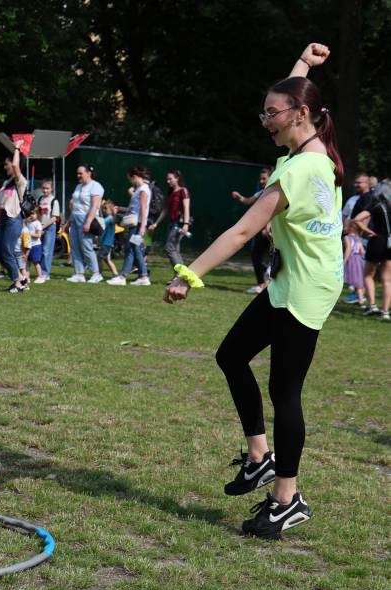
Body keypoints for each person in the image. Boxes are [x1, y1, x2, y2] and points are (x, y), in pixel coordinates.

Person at [164, 43, 343, 539]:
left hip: (307, 287)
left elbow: (243, 231)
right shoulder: (309, 152)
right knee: (231, 355)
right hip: (291, 279)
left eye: (272, 113)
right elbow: (292, 94)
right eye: (264, 112)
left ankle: (287, 499)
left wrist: (188, 275)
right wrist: (303, 64)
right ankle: (260, 458)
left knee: (285, 391)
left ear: (300, 114)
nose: (265, 120)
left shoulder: (301, 168)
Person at [232, 167, 275, 294]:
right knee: (257, 256)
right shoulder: (262, 192)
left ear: (271, 178)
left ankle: (264, 284)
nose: (261, 181)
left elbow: (274, 211)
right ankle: (263, 283)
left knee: (266, 257)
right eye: (260, 179)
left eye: (264, 179)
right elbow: (248, 201)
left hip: (270, 232)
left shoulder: (274, 193)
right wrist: (239, 197)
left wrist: (268, 226)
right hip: (262, 231)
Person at [352, 181, 391, 319]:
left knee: (368, 274)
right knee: (387, 280)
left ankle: (372, 306)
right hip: (390, 243)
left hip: (377, 240)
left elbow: (357, 219)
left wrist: (368, 231)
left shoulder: (376, 205)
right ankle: (385, 311)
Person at [107, 166, 151, 286]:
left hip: (138, 225)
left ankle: (138, 276)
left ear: (135, 177)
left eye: (130, 179)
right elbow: (133, 208)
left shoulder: (143, 190)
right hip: (135, 224)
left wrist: (142, 227)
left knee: (134, 248)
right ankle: (132, 276)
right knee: (132, 249)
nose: (130, 182)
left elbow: (143, 209)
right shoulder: (140, 189)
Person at [0, 142, 28, 293]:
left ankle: (17, 283)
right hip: (3, 219)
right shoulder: (7, 182)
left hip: (13, 219)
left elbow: (15, 165)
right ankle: (21, 277)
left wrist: (17, 149)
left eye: (6, 164)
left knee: (7, 252)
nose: (5, 166)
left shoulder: (20, 181)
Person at [65, 165, 104, 283]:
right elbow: (75, 206)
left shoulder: (96, 186)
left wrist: (88, 222)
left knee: (86, 247)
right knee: (75, 246)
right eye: (77, 173)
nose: (78, 176)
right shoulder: (78, 186)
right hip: (75, 218)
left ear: (88, 173)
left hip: (86, 218)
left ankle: (96, 273)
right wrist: (68, 222)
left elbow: (94, 206)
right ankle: (79, 273)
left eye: (80, 173)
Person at [149, 169, 191, 266]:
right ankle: (182, 274)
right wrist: (156, 223)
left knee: (169, 248)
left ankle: (181, 273)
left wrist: (186, 224)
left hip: (179, 223)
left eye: (170, 179)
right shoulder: (171, 193)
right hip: (171, 224)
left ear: (177, 178)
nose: (168, 181)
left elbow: (186, 208)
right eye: (167, 179)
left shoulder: (183, 191)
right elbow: (165, 210)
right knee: (175, 250)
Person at [37, 180, 61, 282]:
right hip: (40, 227)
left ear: (52, 189)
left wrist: (43, 226)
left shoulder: (54, 200)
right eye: (43, 188)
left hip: (50, 228)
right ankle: (40, 273)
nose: (45, 190)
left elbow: (54, 217)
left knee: (47, 251)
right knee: (40, 250)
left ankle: (46, 273)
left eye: (47, 188)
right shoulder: (40, 199)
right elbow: (38, 214)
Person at [341, 219, 366, 308]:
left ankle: (360, 300)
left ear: (349, 228)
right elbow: (362, 251)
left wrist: (344, 261)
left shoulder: (347, 238)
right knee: (359, 279)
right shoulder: (358, 238)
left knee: (356, 281)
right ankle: (360, 298)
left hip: (352, 260)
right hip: (359, 260)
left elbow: (348, 249)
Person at [98, 200, 119, 277]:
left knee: (99, 258)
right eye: (103, 208)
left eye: (106, 208)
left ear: (111, 210)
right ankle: (115, 274)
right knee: (107, 259)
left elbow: (101, 223)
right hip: (106, 243)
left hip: (106, 243)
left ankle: (99, 274)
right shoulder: (108, 217)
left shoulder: (110, 218)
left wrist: (99, 208)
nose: (104, 210)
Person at [24, 208, 44, 282]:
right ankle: (27, 278)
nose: (31, 215)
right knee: (26, 262)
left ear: (37, 215)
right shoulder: (28, 222)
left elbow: (39, 235)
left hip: (36, 246)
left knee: (36, 262)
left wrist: (28, 234)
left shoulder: (37, 223)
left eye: (33, 214)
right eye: (30, 214)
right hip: (28, 245)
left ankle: (40, 277)